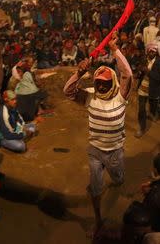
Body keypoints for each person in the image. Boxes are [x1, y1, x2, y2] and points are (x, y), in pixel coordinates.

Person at [63, 33, 132, 236]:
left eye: (105, 82)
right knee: (96, 189)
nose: (101, 85)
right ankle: (98, 220)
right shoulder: (90, 96)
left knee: (118, 179)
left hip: (116, 151)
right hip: (95, 151)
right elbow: (68, 91)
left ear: (113, 83)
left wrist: (114, 50)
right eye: (98, 81)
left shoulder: (121, 97)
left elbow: (127, 74)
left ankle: (116, 179)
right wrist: (78, 73)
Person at [135, 43, 160, 138]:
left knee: (152, 106)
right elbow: (141, 73)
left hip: (153, 90)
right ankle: (142, 128)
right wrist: (139, 72)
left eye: (154, 51)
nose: (152, 53)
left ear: (156, 52)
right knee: (141, 109)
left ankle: (153, 113)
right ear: (147, 51)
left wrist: (148, 72)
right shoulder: (144, 60)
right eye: (150, 51)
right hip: (142, 88)